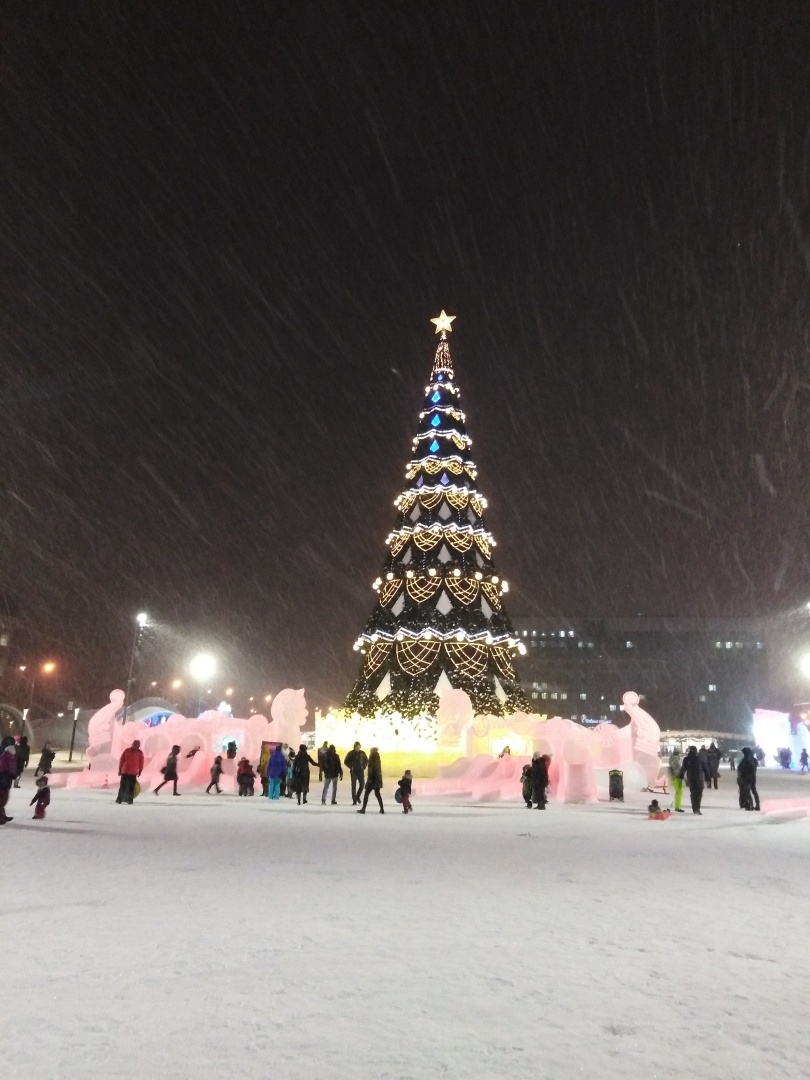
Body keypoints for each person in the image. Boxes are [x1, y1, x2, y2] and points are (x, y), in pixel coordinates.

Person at [115, 739, 144, 804]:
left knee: (124, 786)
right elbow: (141, 763)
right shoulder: (139, 753)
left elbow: (121, 761)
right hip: (131, 772)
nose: (137, 746)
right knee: (130, 787)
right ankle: (129, 800)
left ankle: (120, 799)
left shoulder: (127, 751)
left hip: (126, 771)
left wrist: (120, 770)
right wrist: (140, 770)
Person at [679, 745, 705, 815]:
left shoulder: (687, 759)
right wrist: (708, 778)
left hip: (691, 779)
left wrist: (680, 777)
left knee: (694, 794)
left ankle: (695, 808)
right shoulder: (699, 759)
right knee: (699, 794)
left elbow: (683, 769)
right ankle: (697, 808)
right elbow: (705, 768)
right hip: (699, 779)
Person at [358, 747, 384, 814]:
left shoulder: (372, 757)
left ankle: (363, 809)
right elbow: (378, 769)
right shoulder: (378, 758)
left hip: (372, 779)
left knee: (366, 794)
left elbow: (371, 769)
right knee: (377, 794)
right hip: (378, 779)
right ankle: (382, 809)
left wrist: (370, 778)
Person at [0, 737, 18, 824]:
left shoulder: (7, 755)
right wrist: (12, 774)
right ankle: (1, 817)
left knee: (3, 798)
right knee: (2, 798)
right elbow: (8, 767)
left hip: (5, 779)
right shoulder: (8, 756)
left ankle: (2, 816)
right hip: (3, 779)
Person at [737, 747, 760, 811]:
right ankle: (757, 804)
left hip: (746, 778)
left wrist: (740, 778)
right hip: (752, 777)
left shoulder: (745, 760)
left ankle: (750, 805)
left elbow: (741, 769)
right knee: (754, 791)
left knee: (747, 791)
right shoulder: (754, 760)